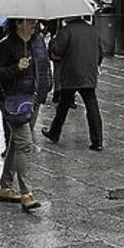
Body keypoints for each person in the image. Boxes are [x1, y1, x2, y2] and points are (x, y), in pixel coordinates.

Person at [0, 19, 52, 211]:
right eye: (30, 21)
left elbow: (44, 68)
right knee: (25, 145)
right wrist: (17, 68)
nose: (35, 23)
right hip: (14, 101)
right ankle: (26, 193)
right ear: (18, 23)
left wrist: (45, 89)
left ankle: (6, 187)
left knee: (16, 144)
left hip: (33, 99)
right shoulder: (5, 45)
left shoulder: (38, 41)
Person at [41, 17, 105, 151]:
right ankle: (97, 140)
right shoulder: (92, 30)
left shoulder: (66, 31)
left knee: (63, 105)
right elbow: (101, 52)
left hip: (71, 73)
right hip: (88, 73)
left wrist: (53, 41)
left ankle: (54, 132)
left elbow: (57, 51)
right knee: (92, 106)